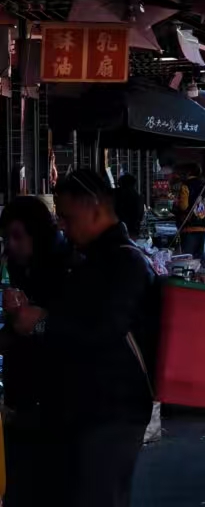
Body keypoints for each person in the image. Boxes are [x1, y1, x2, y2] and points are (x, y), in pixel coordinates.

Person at [6, 168, 156, 506]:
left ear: (93, 206)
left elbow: (101, 330)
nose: (62, 225)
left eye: (66, 216)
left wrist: (42, 323)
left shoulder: (124, 263)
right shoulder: (92, 260)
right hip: (90, 410)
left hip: (112, 411)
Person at [0, 196, 70, 506]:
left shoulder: (67, 269)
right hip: (22, 400)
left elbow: (75, 330)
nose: (11, 245)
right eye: (6, 238)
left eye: (17, 236)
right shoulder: (18, 269)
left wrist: (36, 322)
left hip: (57, 403)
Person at [114, 173, 146, 240]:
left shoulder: (121, 195)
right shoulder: (137, 196)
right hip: (131, 230)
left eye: (120, 185)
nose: (119, 188)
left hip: (126, 230)